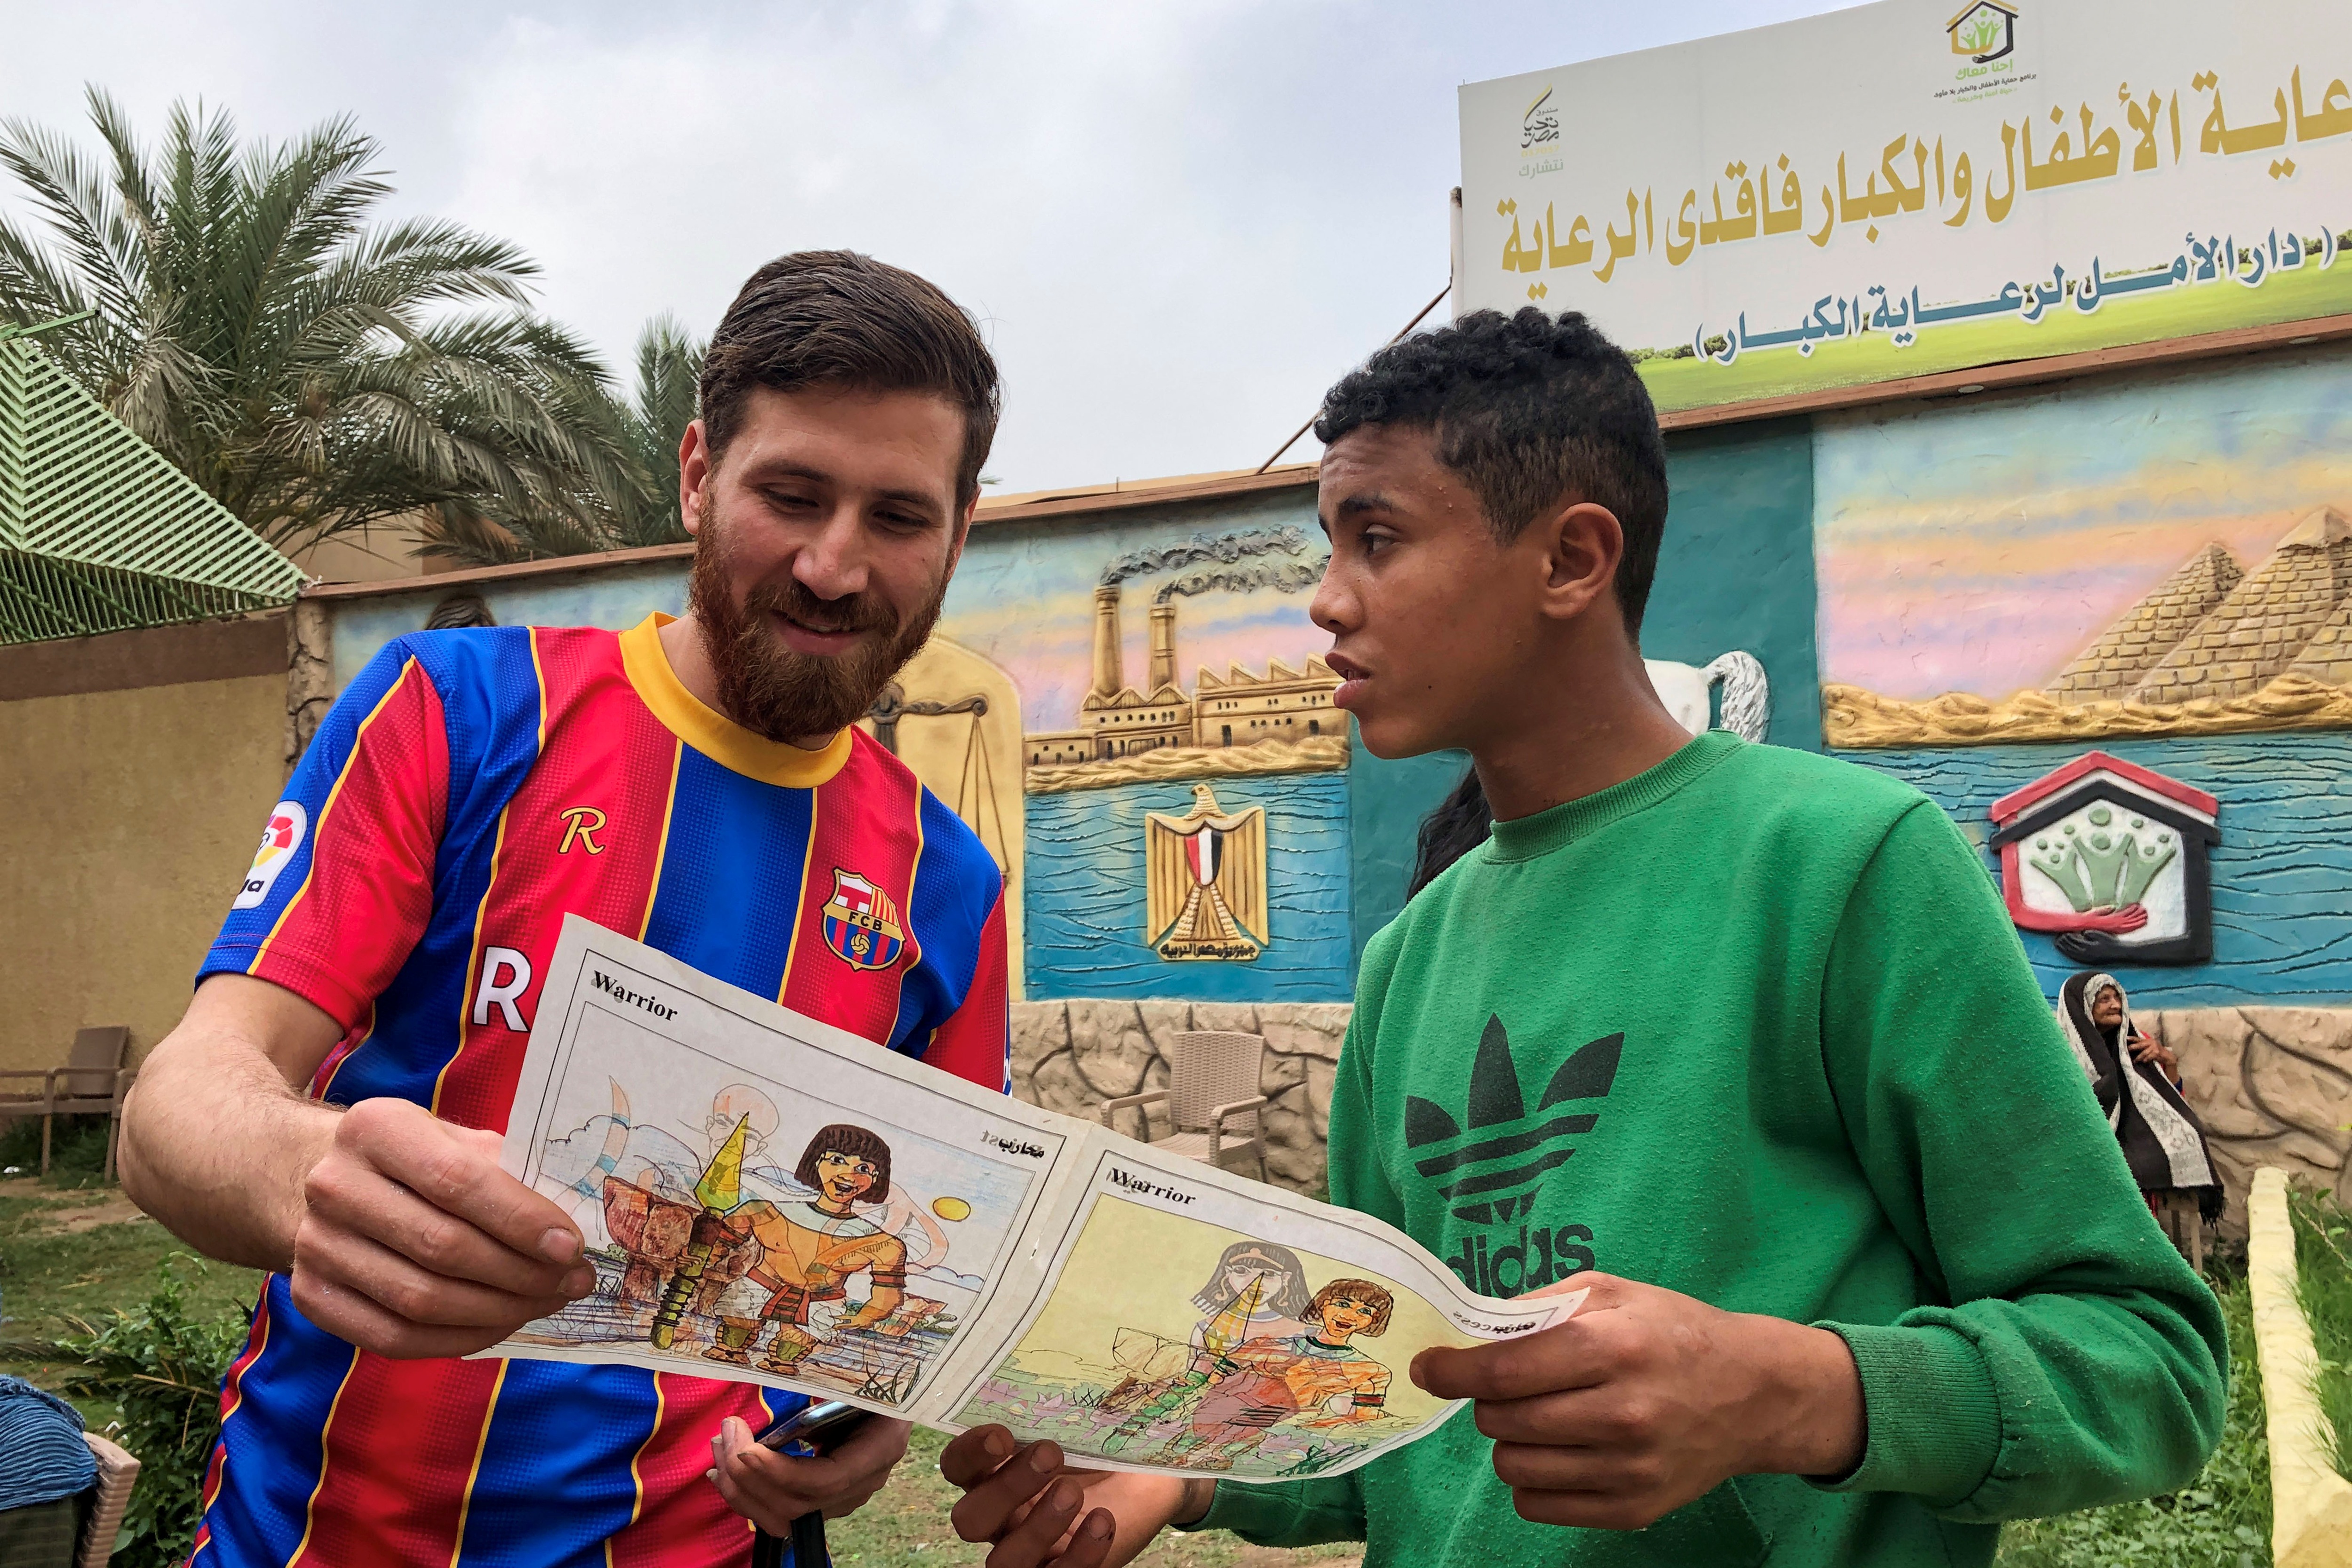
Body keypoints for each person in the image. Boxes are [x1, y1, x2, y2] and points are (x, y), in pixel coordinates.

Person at [936, 308, 2227, 1568]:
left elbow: (2149, 1364)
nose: (1327, 601)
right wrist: (1196, 1458)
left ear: (1570, 559)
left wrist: (1792, 1392)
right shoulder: (1408, 957)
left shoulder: (1847, 867)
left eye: (1377, 539)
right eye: (1329, 545)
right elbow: (1421, 1401)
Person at [116, 250, 1012, 1566]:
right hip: (322, 1538)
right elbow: (174, 1110)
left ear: (959, 530)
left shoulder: (952, 887)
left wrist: (875, 1408)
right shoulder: (456, 710)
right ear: (701, 473)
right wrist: (308, 1171)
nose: (833, 566)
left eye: (897, 516)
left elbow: (912, 1267)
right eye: (792, 495)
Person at [709, 1125, 910, 1371]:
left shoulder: (884, 1244)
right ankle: (732, 1350)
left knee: (791, 1350)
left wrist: (868, 1314)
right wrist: (701, 1252)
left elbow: (887, 1295)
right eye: (838, 1160)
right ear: (816, 1162)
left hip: (820, 1301)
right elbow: (718, 1245)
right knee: (734, 1332)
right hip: (758, 1287)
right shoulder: (767, 1212)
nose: (849, 1175)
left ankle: (783, 1360)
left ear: (875, 1179)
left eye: (863, 1169)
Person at [2056, 972, 2223, 1266]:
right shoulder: (2061, 1053)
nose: (2115, 1005)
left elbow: (2172, 1103)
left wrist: (2167, 1061)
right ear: (2082, 1007)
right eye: (2104, 999)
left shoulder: (2137, 1044)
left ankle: (2143, 1261)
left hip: (2135, 1143)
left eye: (2117, 997)